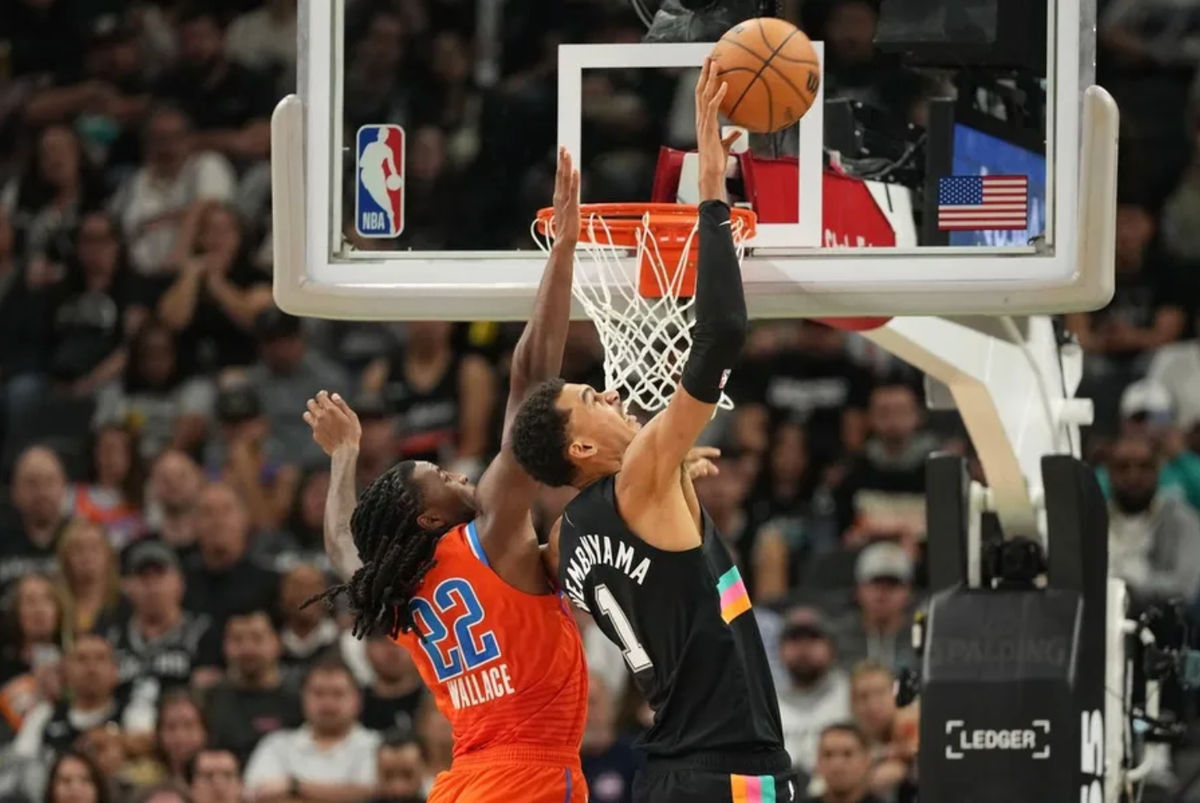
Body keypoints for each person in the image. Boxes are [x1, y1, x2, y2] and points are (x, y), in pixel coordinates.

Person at [509, 60, 794, 802]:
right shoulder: (638, 479)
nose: (608, 391)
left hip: (675, 772)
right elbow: (724, 330)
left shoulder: (562, 542)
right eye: (588, 396)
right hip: (725, 772)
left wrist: (670, 476)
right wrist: (712, 186)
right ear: (578, 448)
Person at [304, 148, 588, 802]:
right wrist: (562, 252)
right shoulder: (488, 529)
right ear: (429, 517)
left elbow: (343, 547)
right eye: (435, 474)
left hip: (466, 782)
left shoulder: (400, 589)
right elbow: (529, 384)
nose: (455, 472)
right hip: (530, 779)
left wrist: (344, 458)